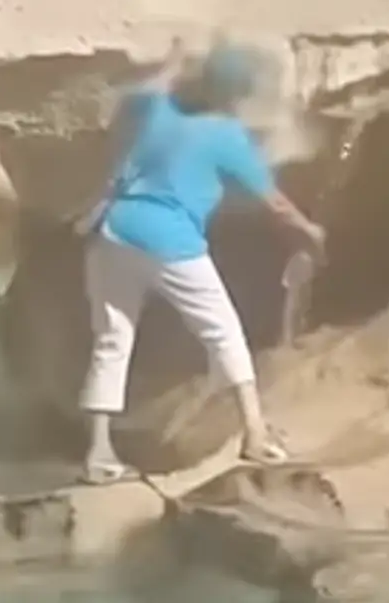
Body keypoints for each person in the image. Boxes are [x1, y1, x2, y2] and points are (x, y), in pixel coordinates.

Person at [76, 38, 325, 484]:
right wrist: (311, 232)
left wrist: (173, 59)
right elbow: (276, 204)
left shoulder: (160, 112)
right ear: (237, 95)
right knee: (223, 330)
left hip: (114, 231)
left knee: (112, 341)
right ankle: (255, 434)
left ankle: (98, 454)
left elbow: (148, 88)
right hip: (169, 239)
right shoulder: (226, 136)